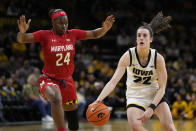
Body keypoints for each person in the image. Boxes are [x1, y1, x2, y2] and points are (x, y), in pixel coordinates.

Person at [17, 8, 115, 131]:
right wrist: (21, 32)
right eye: (60, 23)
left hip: (67, 81)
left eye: (66, 23)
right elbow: (22, 39)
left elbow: (94, 34)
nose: (64, 26)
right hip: (48, 79)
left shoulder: (72, 34)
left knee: (74, 124)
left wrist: (104, 29)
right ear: (53, 23)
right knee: (56, 98)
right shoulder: (45, 35)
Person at [92, 12, 176, 131]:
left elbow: (162, 88)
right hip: (135, 96)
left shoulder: (158, 58)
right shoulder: (128, 56)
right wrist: (98, 100)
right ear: (136, 38)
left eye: (145, 36)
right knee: (135, 127)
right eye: (139, 35)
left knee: (169, 127)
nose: (141, 38)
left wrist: (151, 108)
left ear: (151, 39)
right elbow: (113, 82)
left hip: (154, 94)